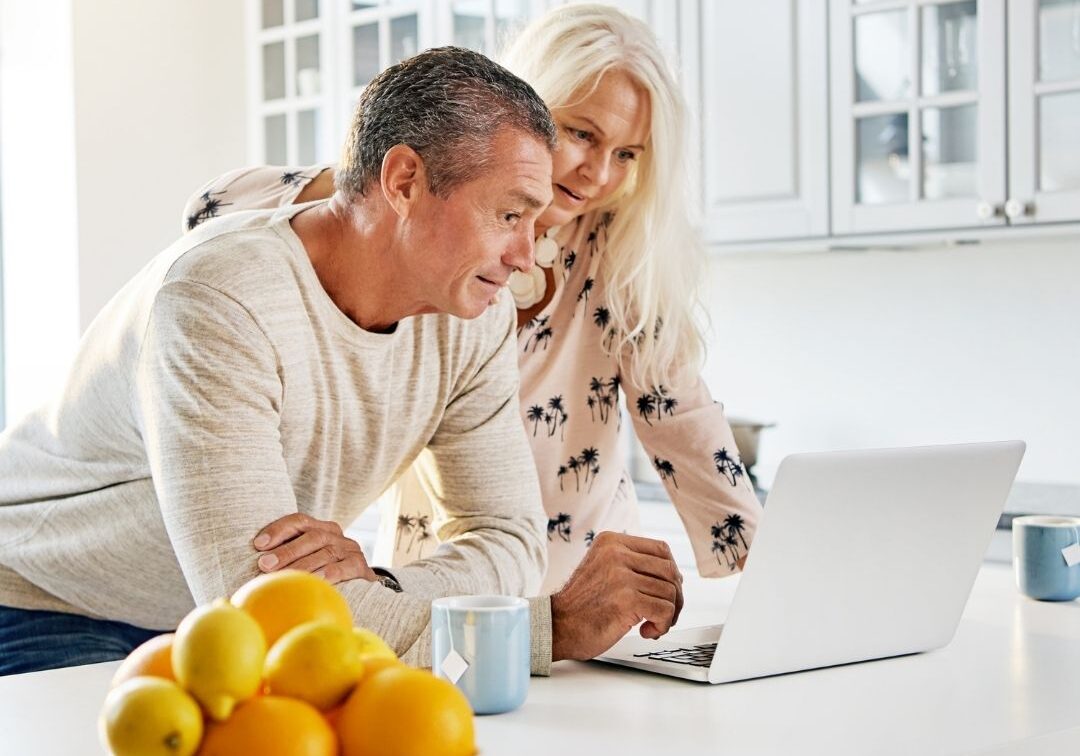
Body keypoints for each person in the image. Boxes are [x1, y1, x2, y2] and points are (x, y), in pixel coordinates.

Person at [0, 46, 684, 676]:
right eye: (508, 214)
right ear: (406, 180)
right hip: (48, 604)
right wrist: (548, 630)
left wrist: (376, 589)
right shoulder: (221, 300)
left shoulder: (474, 319)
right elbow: (269, 608)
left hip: (206, 626)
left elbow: (510, 542)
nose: (523, 252)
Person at [185, 4, 762, 594]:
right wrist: (384, 187)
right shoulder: (417, 225)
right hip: (437, 580)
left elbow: (681, 416)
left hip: (584, 591)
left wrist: (770, 572)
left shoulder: (620, 255)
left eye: (626, 154)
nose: (598, 174)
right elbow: (214, 205)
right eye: (582, 134)